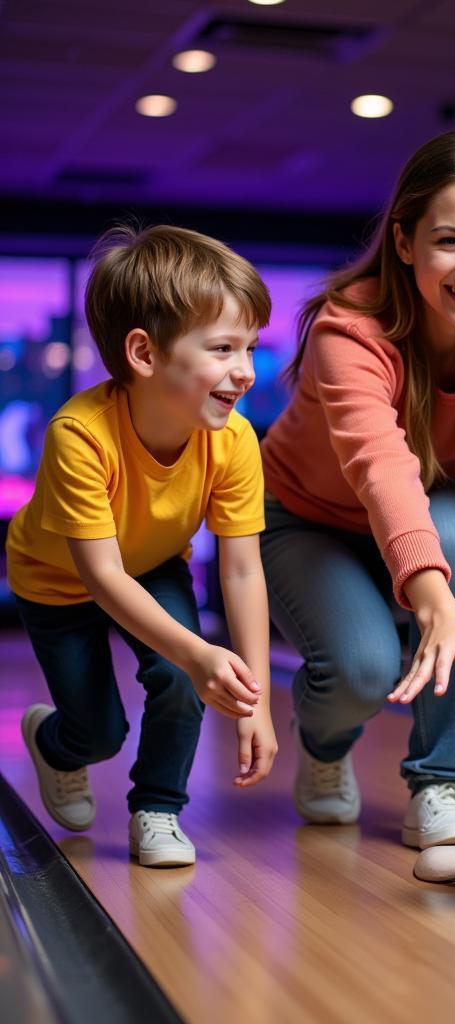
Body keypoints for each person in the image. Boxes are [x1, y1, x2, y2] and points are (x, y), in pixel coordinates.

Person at [260, 130, 455, 849]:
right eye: (451, 242)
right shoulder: (351, 328)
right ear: (404, 243)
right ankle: (324, 746)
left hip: (428, 504)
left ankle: (442, 783)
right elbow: (380, 465)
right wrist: (435, 604)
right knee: (362, 674)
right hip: (304, 516)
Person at [7, 225, 279, 868]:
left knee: (183, 677)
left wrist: (255, 697)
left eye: (251, 348)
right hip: (57, 580)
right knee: (99, 731)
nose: (244, 371)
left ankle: (157, 809)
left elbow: (242, 573)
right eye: (223, 348)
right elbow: (100, 576)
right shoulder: (79, 434)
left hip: (153, 565)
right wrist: (199, 653)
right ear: (144, 353)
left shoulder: (234, 439)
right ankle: (52, 743)